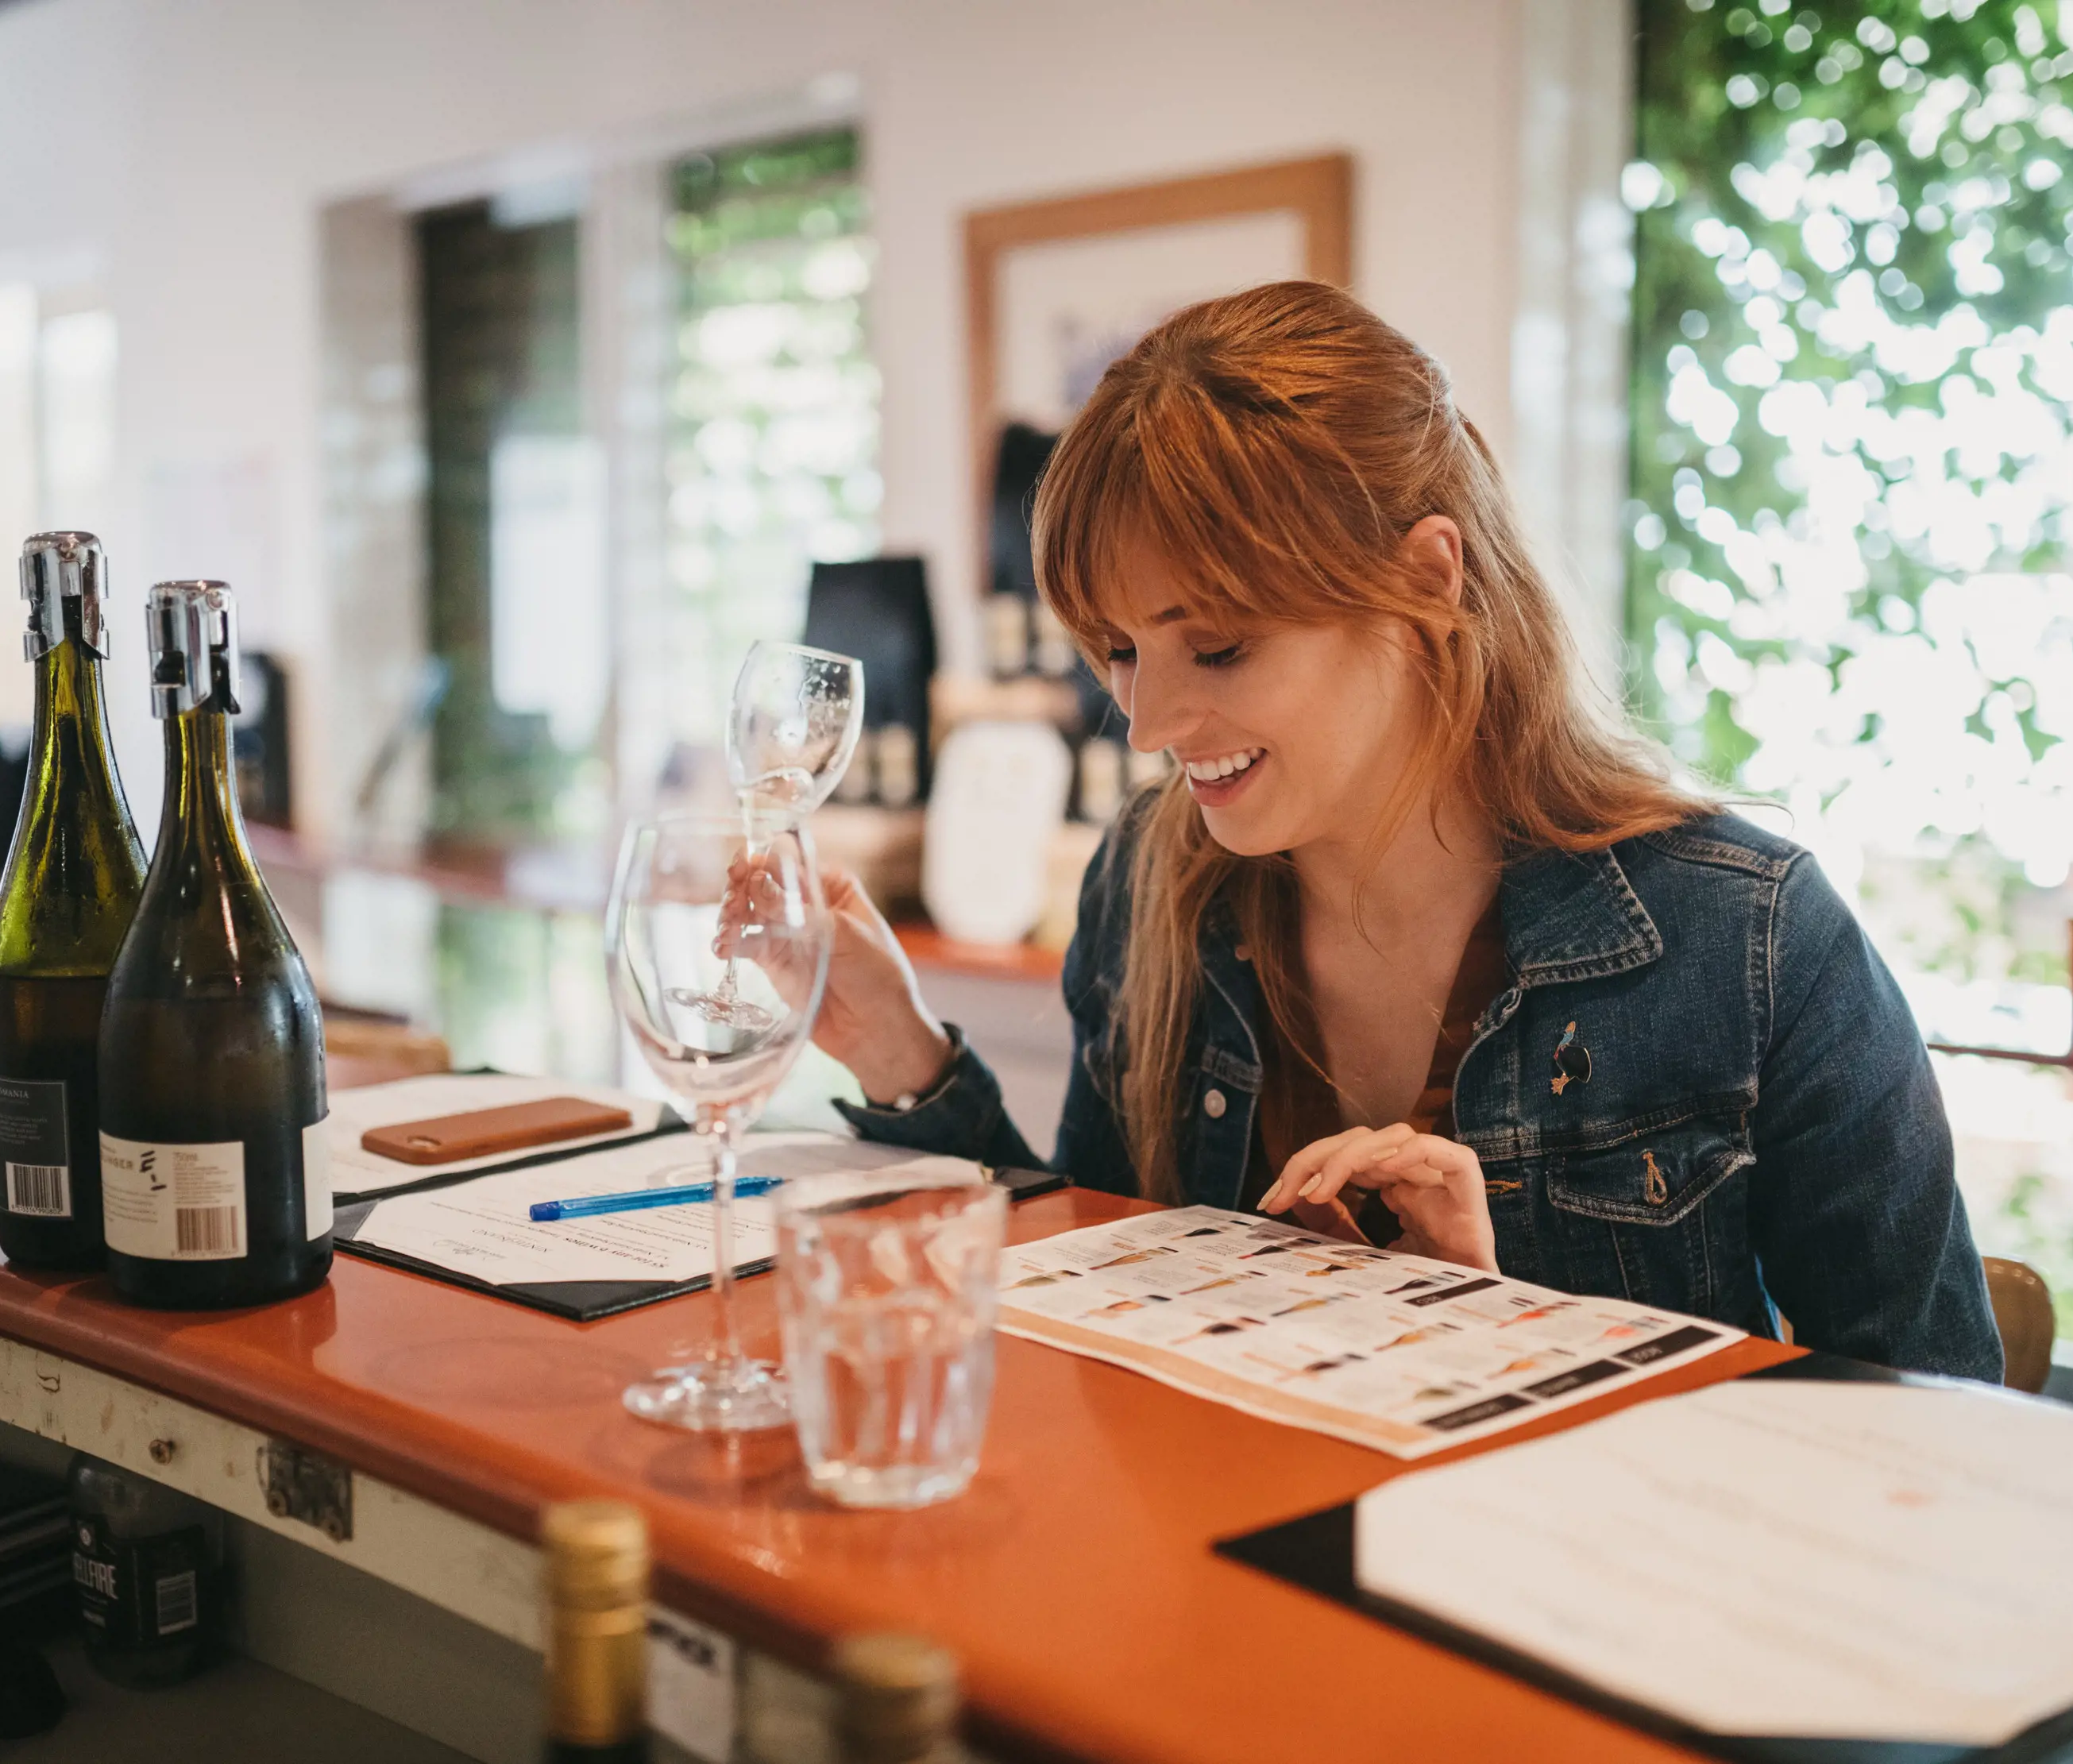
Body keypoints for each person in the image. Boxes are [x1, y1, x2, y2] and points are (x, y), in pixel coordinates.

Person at [808, 280, 2002, 1380]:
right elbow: (1096, 1287)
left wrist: (1499, 1339)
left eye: (1217, 644)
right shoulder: (1150, 881)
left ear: (1428, 581)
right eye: (1120, 650)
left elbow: (1925, 1428)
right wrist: (901, 1056)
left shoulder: (1744, 940)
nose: (1149, 721)